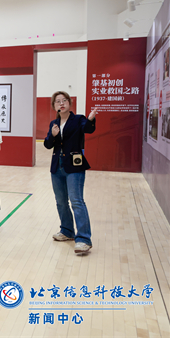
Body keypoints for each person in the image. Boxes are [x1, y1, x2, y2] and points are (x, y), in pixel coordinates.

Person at [44, 91, 97, 255]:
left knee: (76, 201)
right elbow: (47, 144)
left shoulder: (78, 119)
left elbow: (88, 129)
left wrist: (91, 119)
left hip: (74, 166)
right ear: (54, 106)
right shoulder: (54, 123)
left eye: (64, 100)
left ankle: (84, 239)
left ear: (70, 103)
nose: (61, 103)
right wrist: (52, 135)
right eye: (58, 101)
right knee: (61, 201)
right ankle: (67, 231)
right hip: (57, 167)